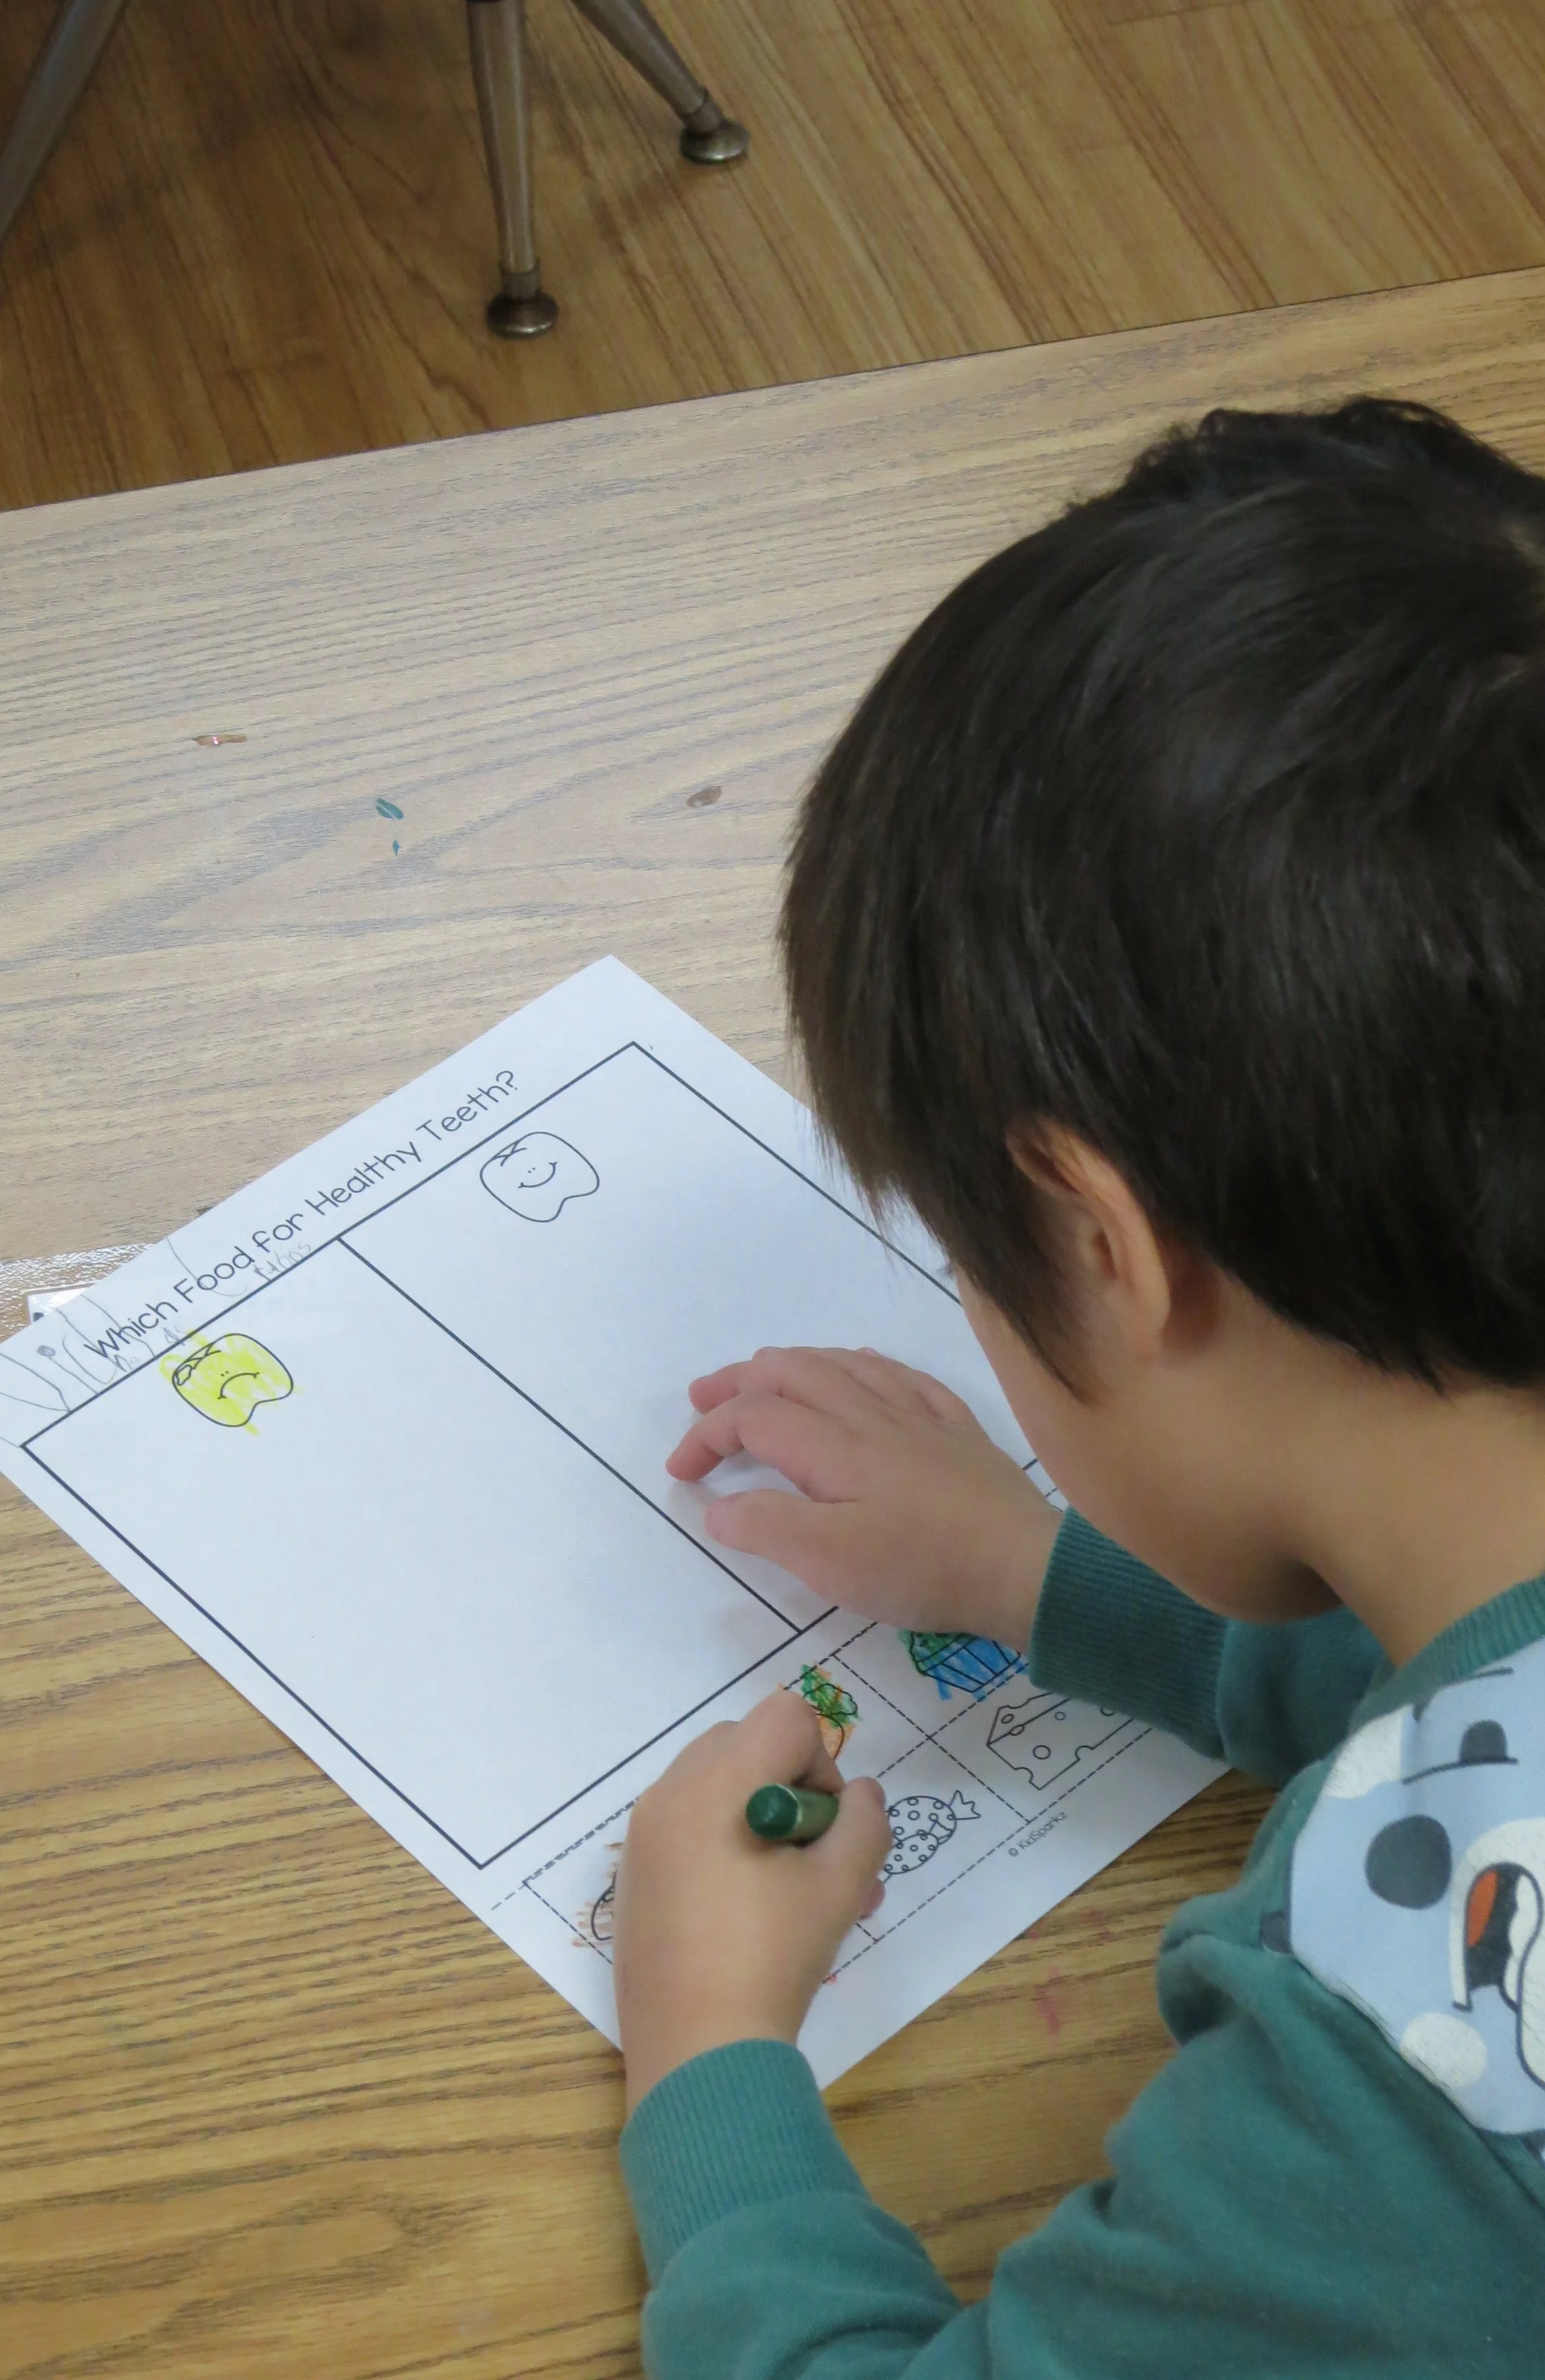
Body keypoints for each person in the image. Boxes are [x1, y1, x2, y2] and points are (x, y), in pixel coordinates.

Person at [610, 398, 1545, 2376]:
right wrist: (1037, 1574)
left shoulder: (1417, 2065)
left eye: (966, 1257)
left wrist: (707, 2056)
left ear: (1105, 1250)